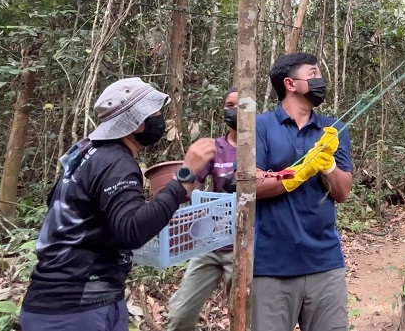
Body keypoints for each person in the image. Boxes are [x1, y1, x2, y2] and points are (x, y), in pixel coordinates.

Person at [20, 77, 217, 331]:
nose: (160, 119)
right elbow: (132, 229)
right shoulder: (116, 162)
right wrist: (184, 176)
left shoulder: (85, 154)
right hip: (76, 308)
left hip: (65, 301)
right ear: (137, 124)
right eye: (154, 113)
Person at [253, 52, 354, 331]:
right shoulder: (260, 126)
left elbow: (343, 192)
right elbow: (251, 184)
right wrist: (300, 173)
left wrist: (328, 164)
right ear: (290, 83)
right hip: (271, 266)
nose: (320, 80)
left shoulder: (333, 128)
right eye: (313, 74)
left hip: (325, 262)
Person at [166, 87, 239, 331]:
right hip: (212, 240)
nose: (234, 110)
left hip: (247, 246)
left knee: (242, 318)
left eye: (239, 104)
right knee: (179, 316)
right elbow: (187, 189)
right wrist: (187, 168)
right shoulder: (215, 148)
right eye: (229, 105)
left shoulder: (264, 145)